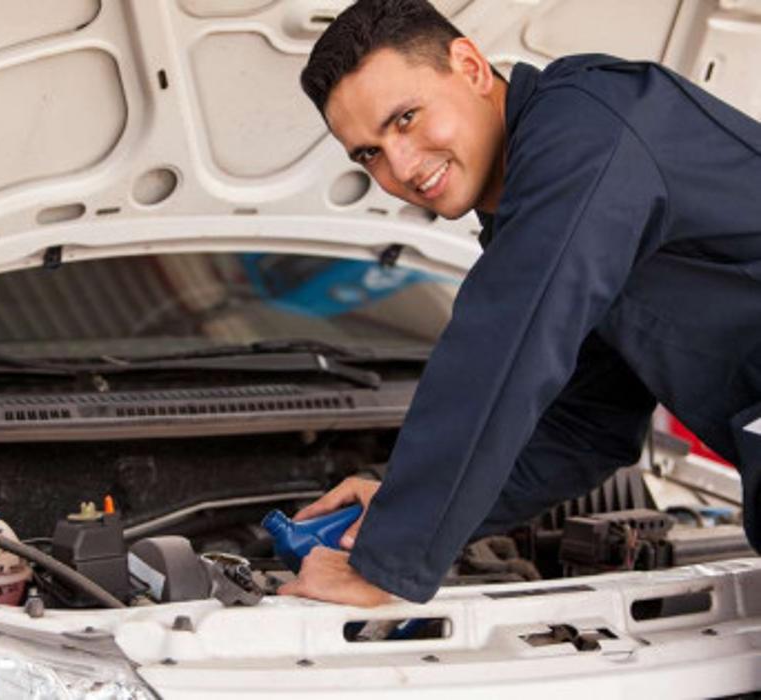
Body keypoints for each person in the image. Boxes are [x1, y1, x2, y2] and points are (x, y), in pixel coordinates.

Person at [277, 0, 761, 606]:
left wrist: (382, 562)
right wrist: (395, 504)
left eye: (404, 118)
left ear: (471, 67)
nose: (398, 166)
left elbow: (504, 346)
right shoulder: (558, 196)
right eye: (368, 153)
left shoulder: (589, 135)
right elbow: (584, 426)